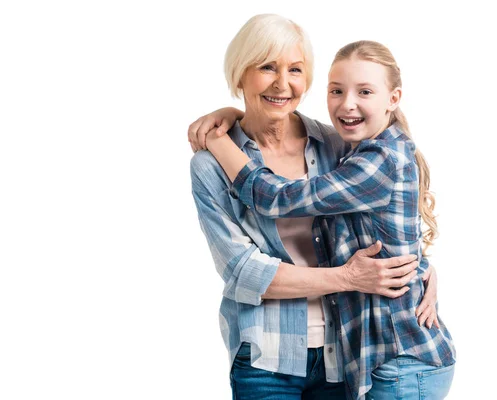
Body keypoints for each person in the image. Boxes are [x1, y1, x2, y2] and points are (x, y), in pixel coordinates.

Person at [189, 14, 441, 399]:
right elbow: (242, 273)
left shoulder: (335, 144)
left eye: (295, 69)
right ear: (240, 74)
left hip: (345, 355)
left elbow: (379, 222)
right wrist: (348, 278)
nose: (282, 82)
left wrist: (421, 270)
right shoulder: (210, 166)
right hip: (267, 361)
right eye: (266, 67)